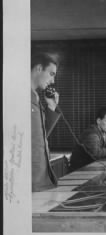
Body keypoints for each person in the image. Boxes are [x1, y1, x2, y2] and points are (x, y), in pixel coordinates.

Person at [31, 53, 61, 192]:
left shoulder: (35, 98)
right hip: (29, 178)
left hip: (41, 178)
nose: (53, 81)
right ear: (38, 68)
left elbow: (41, 136)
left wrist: (51, 107)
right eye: (51, 74)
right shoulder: (19, 96)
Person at [69, 107, 106, 171]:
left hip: (90, 168)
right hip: (79, 171)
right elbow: (96, 153)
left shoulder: (101, 132)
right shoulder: (92, 134)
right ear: (99, 121)